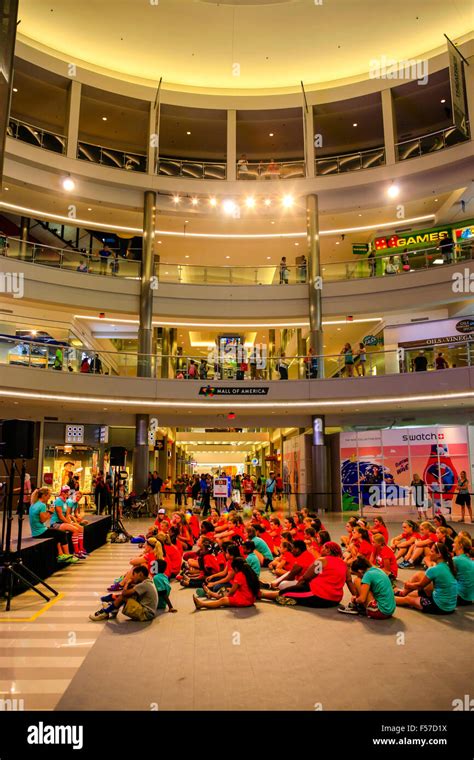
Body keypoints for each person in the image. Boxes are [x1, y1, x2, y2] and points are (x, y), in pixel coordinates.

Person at [273, 542, 348, 608]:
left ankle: (262, 594)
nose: (321, 550)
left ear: (328, 550)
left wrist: (296, 587)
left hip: (320, 596)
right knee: (292, 590)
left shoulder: (322, 560)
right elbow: (349, 581)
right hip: (336, 600)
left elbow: (306, 577)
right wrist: (355, 597)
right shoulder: (344, 564)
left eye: (323, 548)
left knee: (286, 592)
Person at [394, 542, 457, 615]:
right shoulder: (448, 565)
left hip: (440, 607)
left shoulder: (435, 569)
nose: (430, 553)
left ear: (439, 555)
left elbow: (420, 586)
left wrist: (408, 584)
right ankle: (402, 592)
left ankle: (386, 599)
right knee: (418, 577)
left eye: (432, 551)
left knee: (408, 599)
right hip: (450, 605)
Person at [90, 565, 158, 621]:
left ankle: (106, 612)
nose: (133, 577)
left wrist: (127, 583)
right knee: (130, 594)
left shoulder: (144, 585)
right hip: (149, 612)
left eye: (134, 575)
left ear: (140, 574)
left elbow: (124, 593)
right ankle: (113, 608)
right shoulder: (148, 582)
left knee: (123, 596)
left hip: (146, 614)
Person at [29, 487, 77, 563]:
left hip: (35, 531)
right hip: (40, 532)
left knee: (56, 533)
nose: (49, 498)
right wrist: (50, 512)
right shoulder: (42, 505)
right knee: (62, 533)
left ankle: (61, 554)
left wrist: (48, 513)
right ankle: (68, 555)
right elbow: (42, 520)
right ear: (44, 495)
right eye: (48, 496)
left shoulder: (33, 504)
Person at [193, 557, 260, 609]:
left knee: (223, 600)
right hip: (250, 598)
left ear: (236, 568)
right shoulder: (249, 571)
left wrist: (226, 596)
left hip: (245, 600)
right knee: (226, 590)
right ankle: (210, 593)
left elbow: (232, 591)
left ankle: (202, 604)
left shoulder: (239, 575)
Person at [51, 486, 87, 559]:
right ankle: (76, 551)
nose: (67, 493)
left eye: (68, 492)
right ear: (62, 493)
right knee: (75, 529)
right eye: (66, 492)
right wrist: (70, 523)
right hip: (56, 523)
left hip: (62, 522)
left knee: (80, 528)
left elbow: (67, 515)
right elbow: (61, 516)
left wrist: (72, 522)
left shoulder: (64, 501)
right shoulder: (59, 501)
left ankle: (80, 549)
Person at [453, 535, 474, 605]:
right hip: (470, 598)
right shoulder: (469, 560)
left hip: (460, 597)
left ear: (460, 546)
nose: (452, 544)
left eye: (454, 543)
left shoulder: (456, 560)